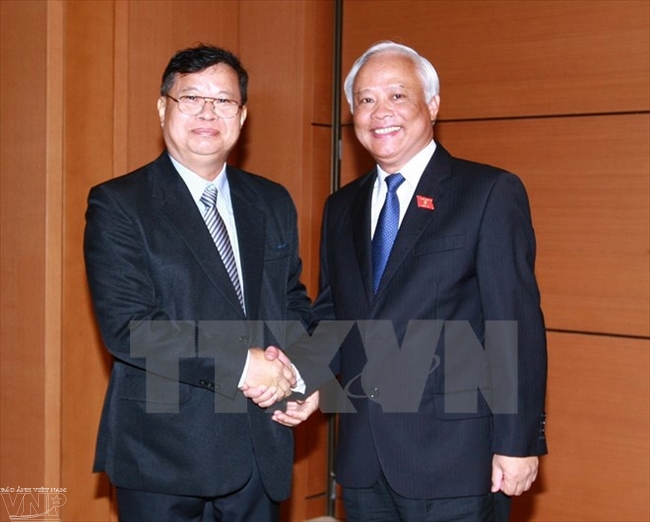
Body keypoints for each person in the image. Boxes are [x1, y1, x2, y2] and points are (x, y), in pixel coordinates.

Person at [311, 41, 548, 521]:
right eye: (365, 100)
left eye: (397, 95)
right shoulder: (340, 207)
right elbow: (333, 316)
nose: (380, 112)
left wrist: (517, 442)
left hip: (457, 462)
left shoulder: (487, 192)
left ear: (433, 105)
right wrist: (299, 377)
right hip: (364, 461)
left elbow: (514, 322)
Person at [84, 44, 317, 522]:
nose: (208, 112)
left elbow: (291, 301)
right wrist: (242, 364)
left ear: (242, 115)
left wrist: (304, 378)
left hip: (260, 445)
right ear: (162, 107)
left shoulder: (272, 201)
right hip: (162, 456)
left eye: (224, 100)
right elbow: (130, 328)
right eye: (191, 98)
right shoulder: (119, 203)